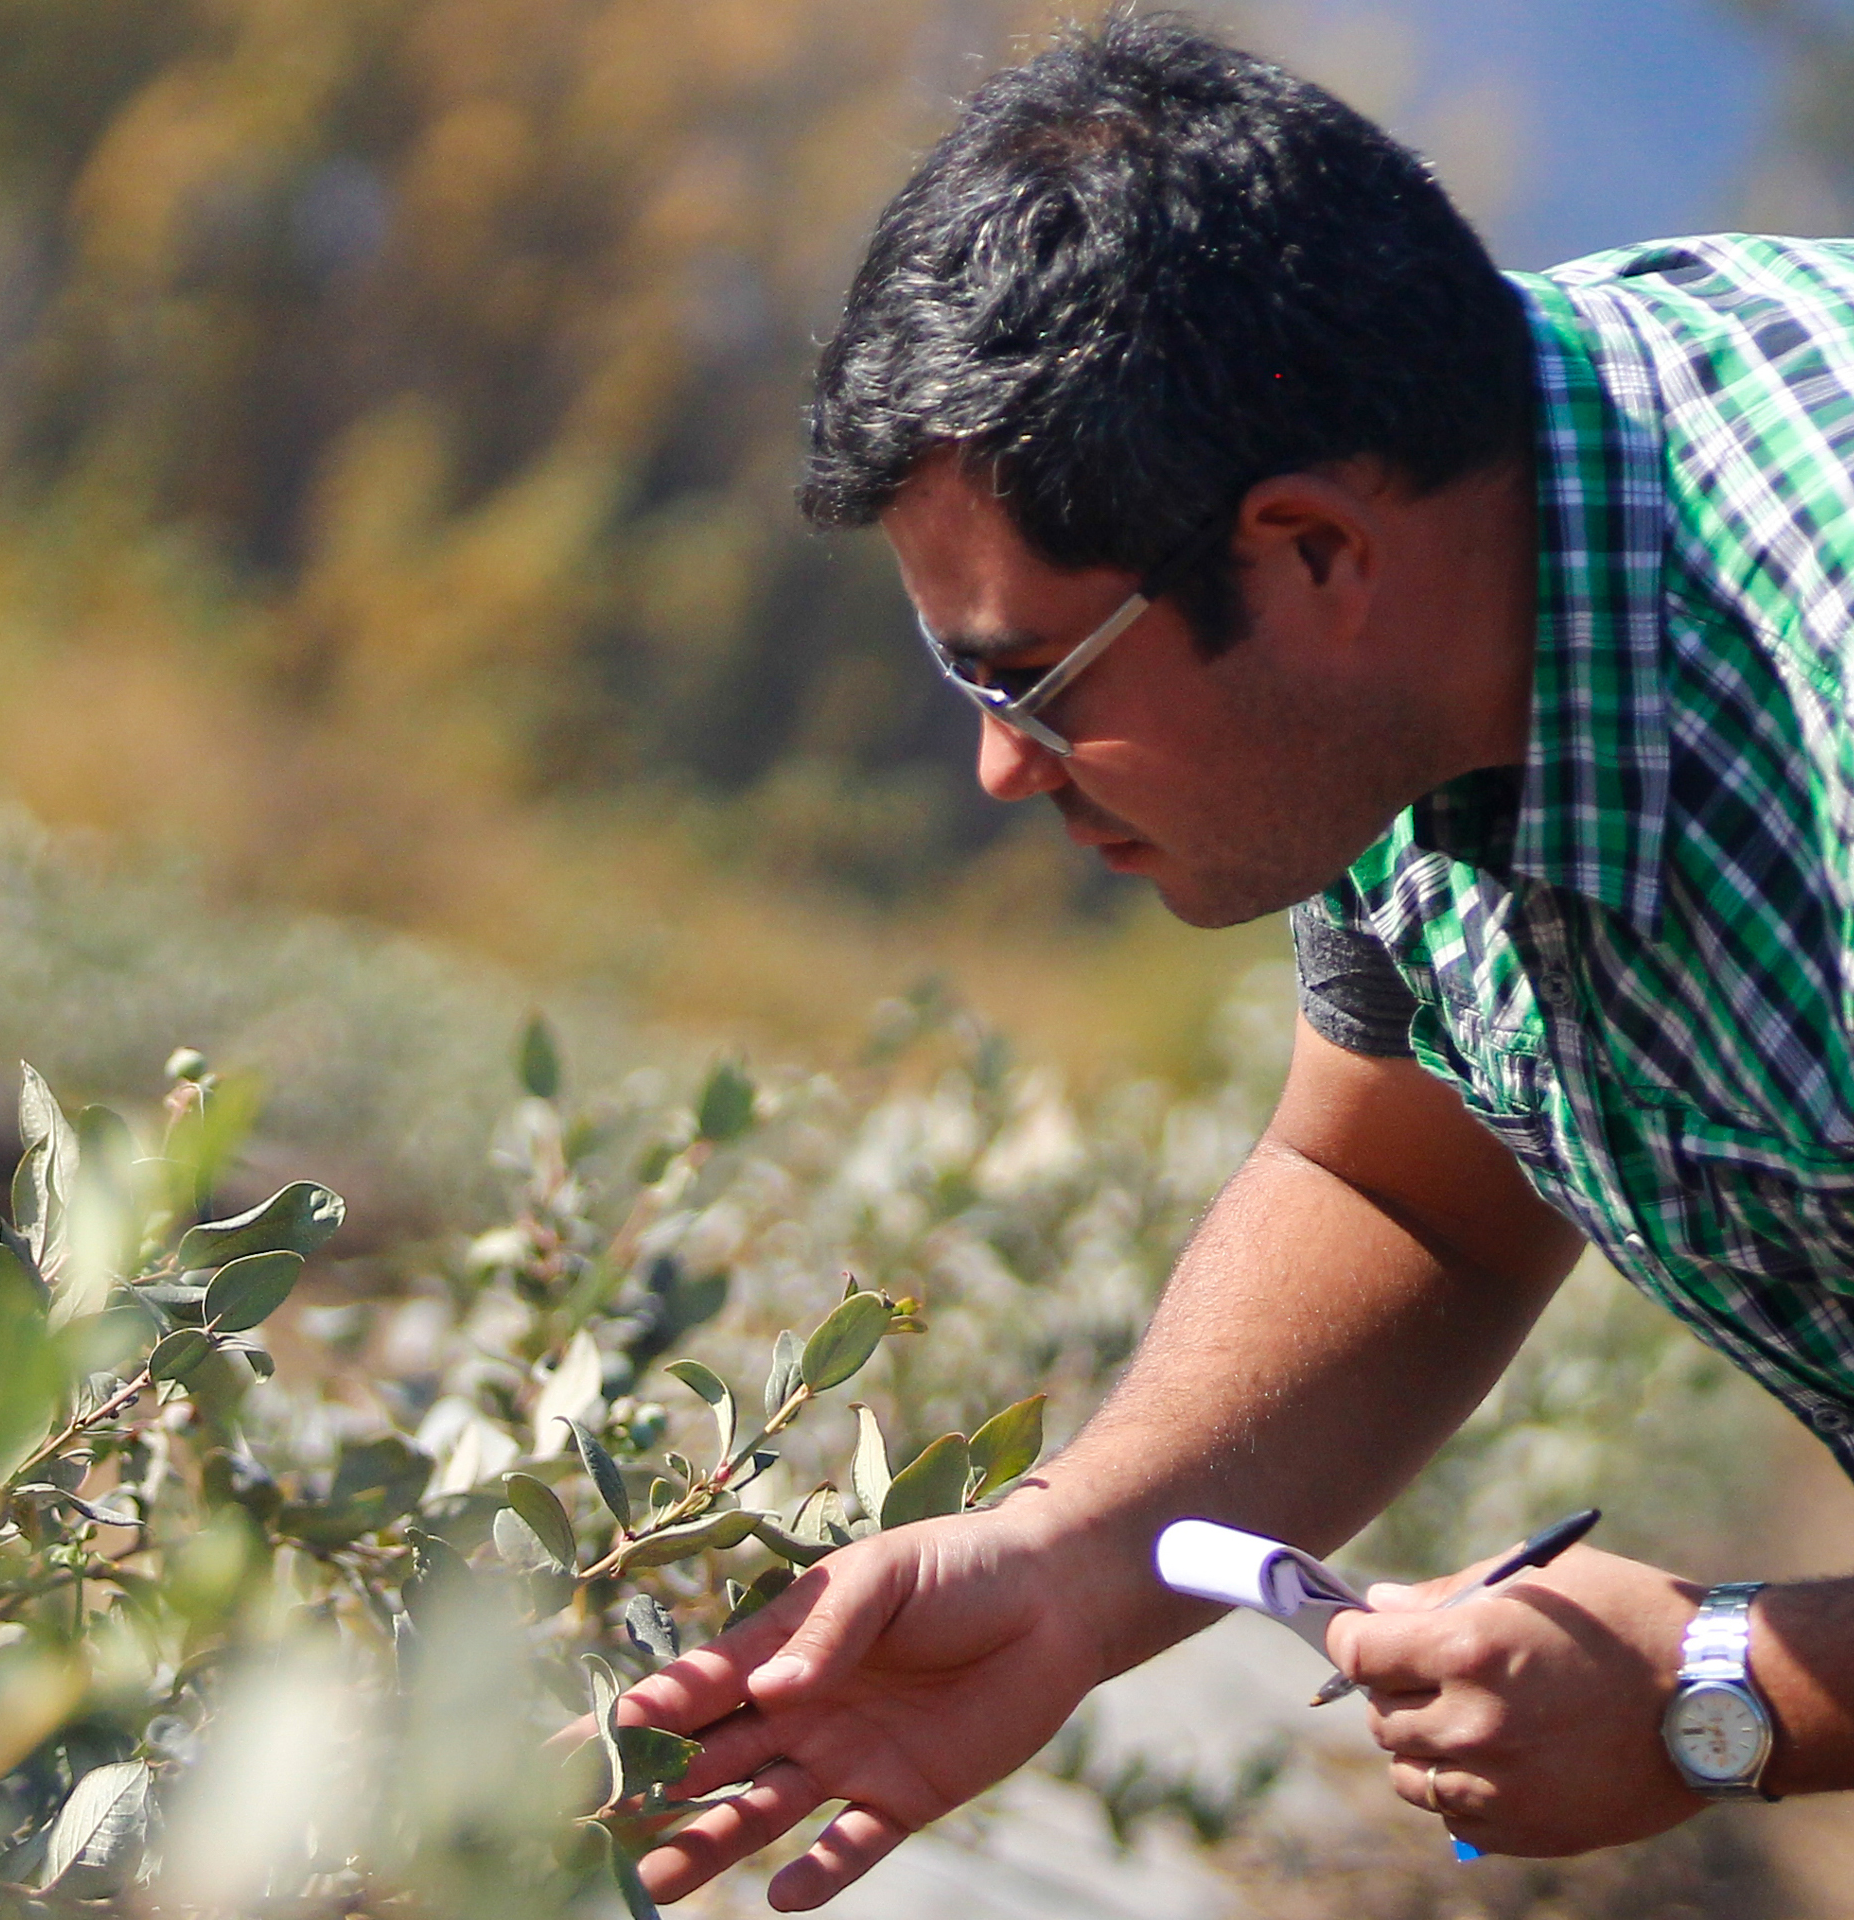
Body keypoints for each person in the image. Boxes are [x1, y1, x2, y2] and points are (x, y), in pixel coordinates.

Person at [606, 15, 1854, 1907]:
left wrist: (1726, 1684)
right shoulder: (1437, 554)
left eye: (1031, 678)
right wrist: (1071, 1567)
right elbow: (1401, 1180)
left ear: (1311, 557)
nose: (998, 766)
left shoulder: (1821, 664)